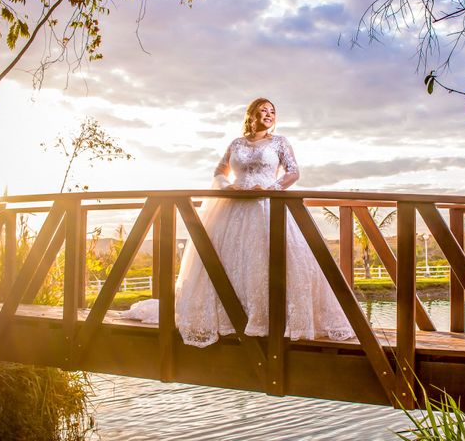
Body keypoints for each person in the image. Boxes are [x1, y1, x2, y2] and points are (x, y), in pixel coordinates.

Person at [123, 98, 354, 347]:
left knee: (265, 259)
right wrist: (228, 186)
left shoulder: (279, 142)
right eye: (263, 110)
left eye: (273, 111)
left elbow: (293, 172)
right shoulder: (236, 143)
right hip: (232, 207)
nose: (269, 114)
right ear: (251, 115)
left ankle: (272, 318)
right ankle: (230, 316)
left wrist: (269, 188)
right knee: (228, 259)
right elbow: (219, 172)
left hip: (266, 206)